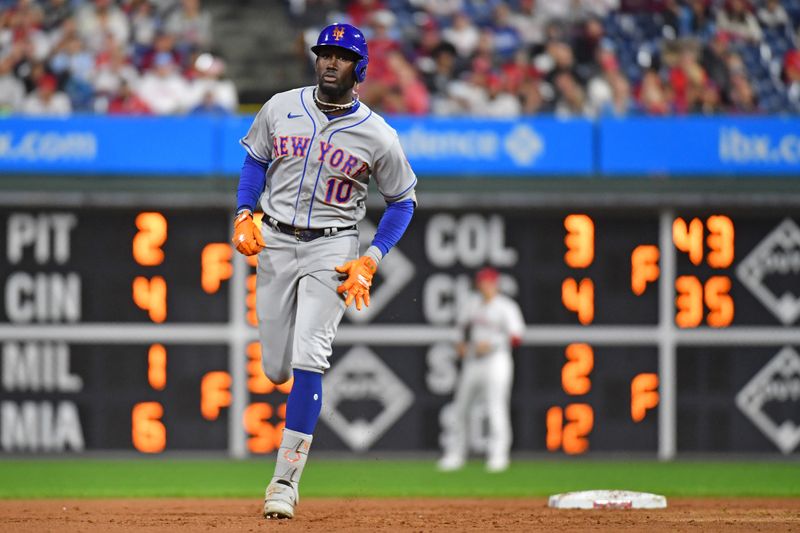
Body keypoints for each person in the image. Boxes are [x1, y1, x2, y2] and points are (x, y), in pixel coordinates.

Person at [231, 23, 417, 519]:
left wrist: (371, 257)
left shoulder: (378, 134)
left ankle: (284, 482)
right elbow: (254, 162)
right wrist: (244, 213)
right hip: (273, 238)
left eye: (342, 56)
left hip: (331, 248)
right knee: (274, 369)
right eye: (325, 53)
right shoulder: (280, 106)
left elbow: (403, 202)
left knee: (309, 357)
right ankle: (285, 456)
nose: (331, 62)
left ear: (360, 68)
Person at [438, 267, 524, 473]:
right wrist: (458, 343)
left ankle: (498, 456)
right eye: (483, 282)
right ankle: (455, 454)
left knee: (496, 408)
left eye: (489, 282)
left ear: (496, 284)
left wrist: (493, 343)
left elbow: (516, 336)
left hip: (497, 360)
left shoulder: (506, 307)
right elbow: (459, 328)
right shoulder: (472, 304)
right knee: (460, 408)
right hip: (473, 360)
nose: (486, 286)